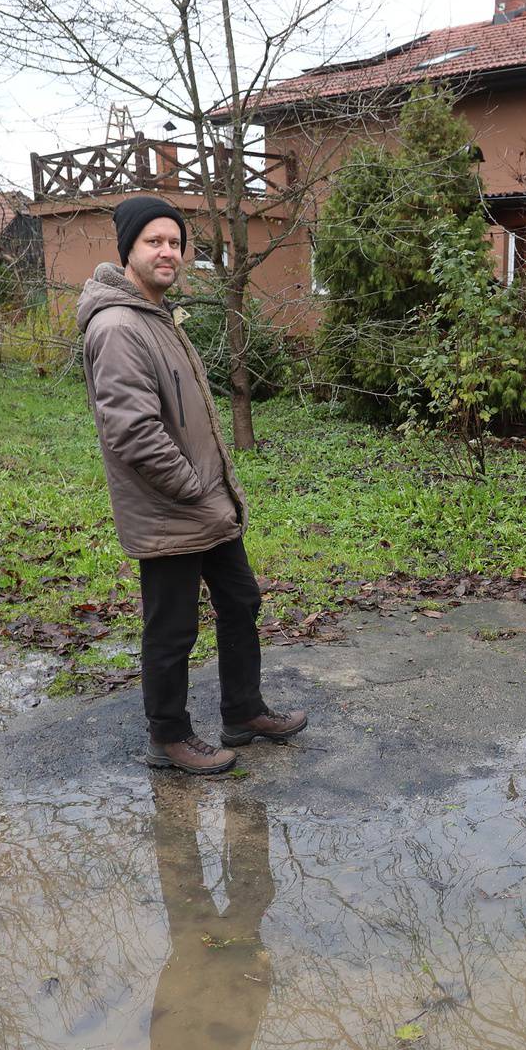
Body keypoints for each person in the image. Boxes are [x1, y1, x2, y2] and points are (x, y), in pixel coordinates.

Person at [77, 194, 306, 774]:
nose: (167, 252)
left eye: (175, 242)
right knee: (172, 629)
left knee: (240, 603)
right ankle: (168, 738)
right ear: (128, 249)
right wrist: (192, 487)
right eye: (154, 241)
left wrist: (211, 491)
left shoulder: (157, 316)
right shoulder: (118, 326)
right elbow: (133, 432)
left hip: (206, 504)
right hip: (169, 509)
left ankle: (243, 711)